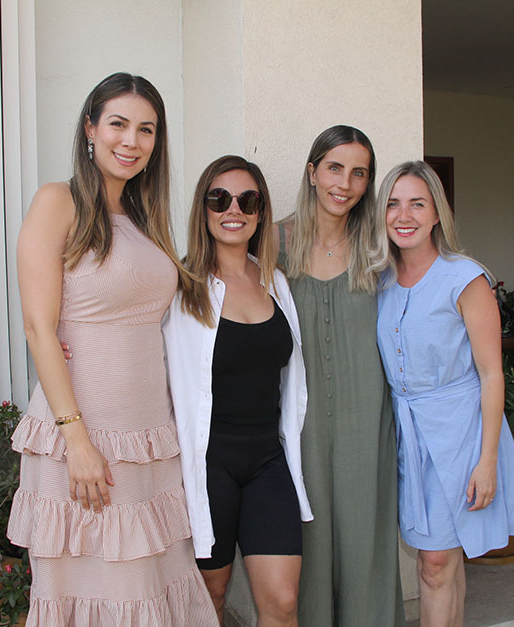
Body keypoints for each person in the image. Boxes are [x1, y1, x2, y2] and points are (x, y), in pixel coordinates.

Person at [7, 72, 216, 626]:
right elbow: (37, 327)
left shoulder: (147, 220)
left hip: (148, 441)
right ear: (90, 129)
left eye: (146, 130)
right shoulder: (59, 202)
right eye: (118, 124)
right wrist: (76, 439)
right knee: (93, 594)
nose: (131, 140)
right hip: (84, 435)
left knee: (152, 589)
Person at [375, 161, 514, 627]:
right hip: (410, 436)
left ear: (437, 214)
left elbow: (491, 374)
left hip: (462, 436)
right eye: (393, 204)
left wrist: (487, 461)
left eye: (417, 204)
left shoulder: (465, 278)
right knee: (443, 561)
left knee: (436, 563)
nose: (404, 215)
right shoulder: (380, 280)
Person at [164, 156, 312, 626]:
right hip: (209, 465)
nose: (234, 209)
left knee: (283, 602)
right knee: (210, 595)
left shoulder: (276, 283)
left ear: (261, 211)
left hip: (268, 459)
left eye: (248, 200)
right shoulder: (180, 286)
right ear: (203, 209)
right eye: (219, 198)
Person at [275, 126, 405, 626]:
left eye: (359, 172)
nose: (344, 183)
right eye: (334, 167)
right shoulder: (273, 244)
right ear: (312, 172)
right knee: (304, 545)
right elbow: (203, 284)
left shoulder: (379, 249)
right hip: (295, 429)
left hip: (365, 425)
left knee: (363, 542)